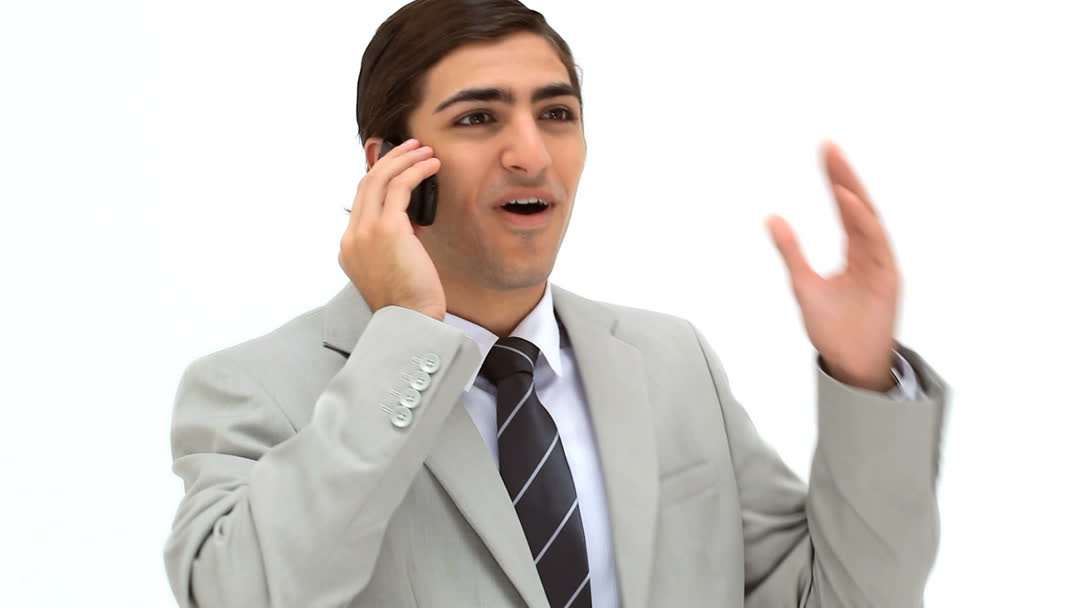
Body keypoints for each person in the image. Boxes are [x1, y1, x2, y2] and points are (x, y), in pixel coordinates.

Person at [163, 1, 949, 606]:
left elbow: (841, 598)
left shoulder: (671, 363)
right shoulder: (255, 389)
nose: (531, 153)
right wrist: (403, 339)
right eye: (478, 117)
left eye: (556, 113)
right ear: (391, 165)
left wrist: (863, 376)